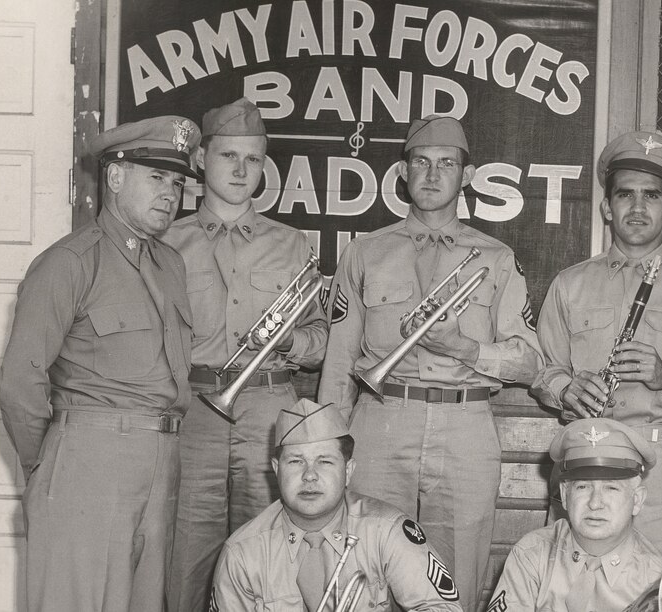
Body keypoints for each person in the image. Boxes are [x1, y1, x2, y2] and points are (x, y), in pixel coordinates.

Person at [318, 115, 543, 610]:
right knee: (366, 566)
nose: (433, 174)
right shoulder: (365, 252)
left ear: (467, 175)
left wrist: (463, 347)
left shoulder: (497, 257)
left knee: (455, 575)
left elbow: (529, 361)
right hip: (380, 420)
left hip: (465, 426)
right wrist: (330, 446)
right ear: (402, 171)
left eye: (447, 164)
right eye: (421, 162)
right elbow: (338, 364)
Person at [0, 116, 200, 611]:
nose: (170, 194)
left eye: (177, 182)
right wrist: (49, 467)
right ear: (114, 178)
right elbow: (21, 385)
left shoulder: (170, 264)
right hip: (88, 459)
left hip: (163, 459)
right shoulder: (69, 263)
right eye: (156, 178)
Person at [162, 98, 329, 612]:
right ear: (200, 161)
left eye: (252, 160)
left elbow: (323, 340)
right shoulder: (167, 242)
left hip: (267, 411)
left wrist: (289, 342)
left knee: (271, 561)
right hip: (191, 412)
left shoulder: (292, 243)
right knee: (184, 559)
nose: (240, 170)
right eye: (227, 156)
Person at [532, 130, 662, 557]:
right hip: (590, 459)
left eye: (652, 196)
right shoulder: (569, 284)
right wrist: (567, 388)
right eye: (625, 195)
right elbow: (542, 369)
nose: (638, 208)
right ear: (607, 206)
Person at [211, 399, 463, 611]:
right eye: (296, 462)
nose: (310, 475)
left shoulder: (386, 531)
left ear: (348, 470)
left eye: (325, 462)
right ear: (276, 470)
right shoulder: (242, 553)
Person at [488, 418, 662, 612]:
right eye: (583, 486)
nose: (595, 503)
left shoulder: (657, 581)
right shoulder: (532, 555)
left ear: (637, 500)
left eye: (611, 488)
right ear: (565, 495)